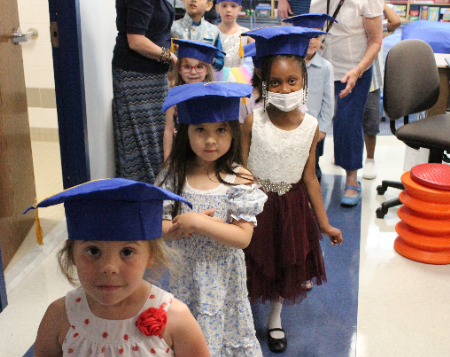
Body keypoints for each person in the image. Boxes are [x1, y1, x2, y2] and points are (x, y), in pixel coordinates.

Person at [240, 26, 343, 353]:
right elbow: (240, 170)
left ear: (303, 83)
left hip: (292, 207)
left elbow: (310, 176)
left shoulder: (311, 127)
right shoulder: (252, 121)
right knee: (250, 264)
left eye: (291, 81)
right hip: (255, 209)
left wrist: (324, 223)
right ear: (264, 85)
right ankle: (241, 317)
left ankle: (275, 318)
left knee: (284, 263)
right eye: (275, 83)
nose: (284, 88)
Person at [31, 178, 211, 357]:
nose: (109, 267)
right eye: (93, 251)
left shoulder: (176, 319)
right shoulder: (61, 316)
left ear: (151, 256)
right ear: (72, 255)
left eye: (127, 252)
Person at [157, 82, 267, 357]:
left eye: (220, 130)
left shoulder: (239, 177)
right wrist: (179, 227)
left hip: (223, 276)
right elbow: (157, 226)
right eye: (200, 130)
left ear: (233, 131)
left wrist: (199, 223)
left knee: (223, 334)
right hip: (184, 275)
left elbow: (242, 238)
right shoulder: (173, 176)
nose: (210, 140)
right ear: (184, 132)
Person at [309, 0, 384, 206]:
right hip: (320, 67)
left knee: (347, 121)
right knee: (313, 118)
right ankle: (313, 168)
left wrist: (358, 70)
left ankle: (352, 179)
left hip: (354, 70)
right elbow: (312, 31)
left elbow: (376, 41)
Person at [112, 0, 176, 184]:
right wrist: (171, 57)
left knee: (156, 140)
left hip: (154, 76)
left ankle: (156, 194)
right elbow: (136, 40)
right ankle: (142, 197)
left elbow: (157, 32)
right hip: (136, 77)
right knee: (140, 146)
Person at [282, 13, 336, 181]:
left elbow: (328, 101)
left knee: (313, 167)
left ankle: (311, 201)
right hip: (288, 126)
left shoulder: (325, 67)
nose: (312, 41)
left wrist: (323, 128)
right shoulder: (286, 64)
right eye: (307, 35)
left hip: (314, 128)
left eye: (317, 35)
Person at [362, 3, 401, 180]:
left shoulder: (374, 24)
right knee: (346, 121)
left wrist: (380, 4)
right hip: (346, 79)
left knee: (371, 123)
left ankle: (370, 159)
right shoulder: (347, 27)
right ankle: (345, 154)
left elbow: (396, 22)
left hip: (371, 82)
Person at [163, 40, 219, 162]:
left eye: (199, 66)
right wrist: (167, 161)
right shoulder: (174, 97)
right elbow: (168, 130)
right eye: (187, 67)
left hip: (206, 154)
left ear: (207, 69)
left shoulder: (213, 96)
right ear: (178, 69)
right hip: (181, 154)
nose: (193, 72)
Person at [171, 0, 225, 72]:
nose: (193, 0)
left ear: (208, 5)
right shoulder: (172, 28)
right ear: (183, 1)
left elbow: (220, 62)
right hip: (177, 80)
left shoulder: (213, 31)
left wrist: (209, 59)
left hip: (203, 81)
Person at [216, 0, 253, 68]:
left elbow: (259, 53)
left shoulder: (246, 34)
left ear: (239, 9)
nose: (228, 10)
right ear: (217, 8)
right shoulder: (212, 32)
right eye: (224, 6)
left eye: (233, 6)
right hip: (217, 76)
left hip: (238, 76)